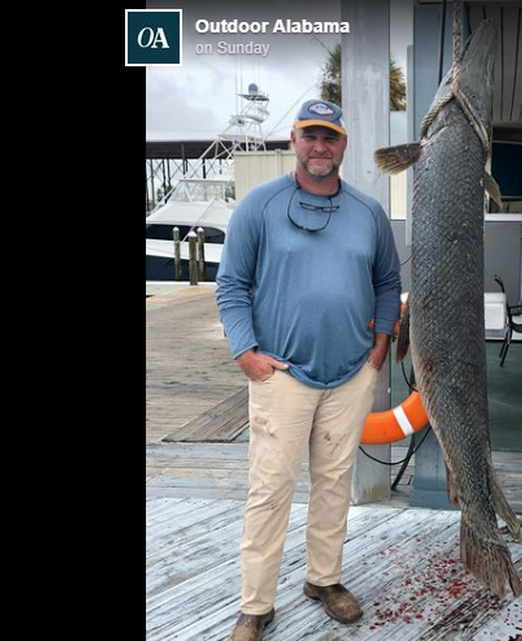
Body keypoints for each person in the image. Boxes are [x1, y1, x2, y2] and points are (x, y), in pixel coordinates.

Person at [215, 99, 401, 641]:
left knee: (334, 482)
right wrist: (245, 350)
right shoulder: (258, 206)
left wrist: (382, 339)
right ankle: (256, 604)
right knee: (270, 489)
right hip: (281, 376)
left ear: (344, 145)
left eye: (331, 138)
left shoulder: (368, 213)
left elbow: (388, 280)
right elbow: (231, 285)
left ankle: (324, 579)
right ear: (294, 140)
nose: (320, 147)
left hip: (350, 373)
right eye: (310, 136)